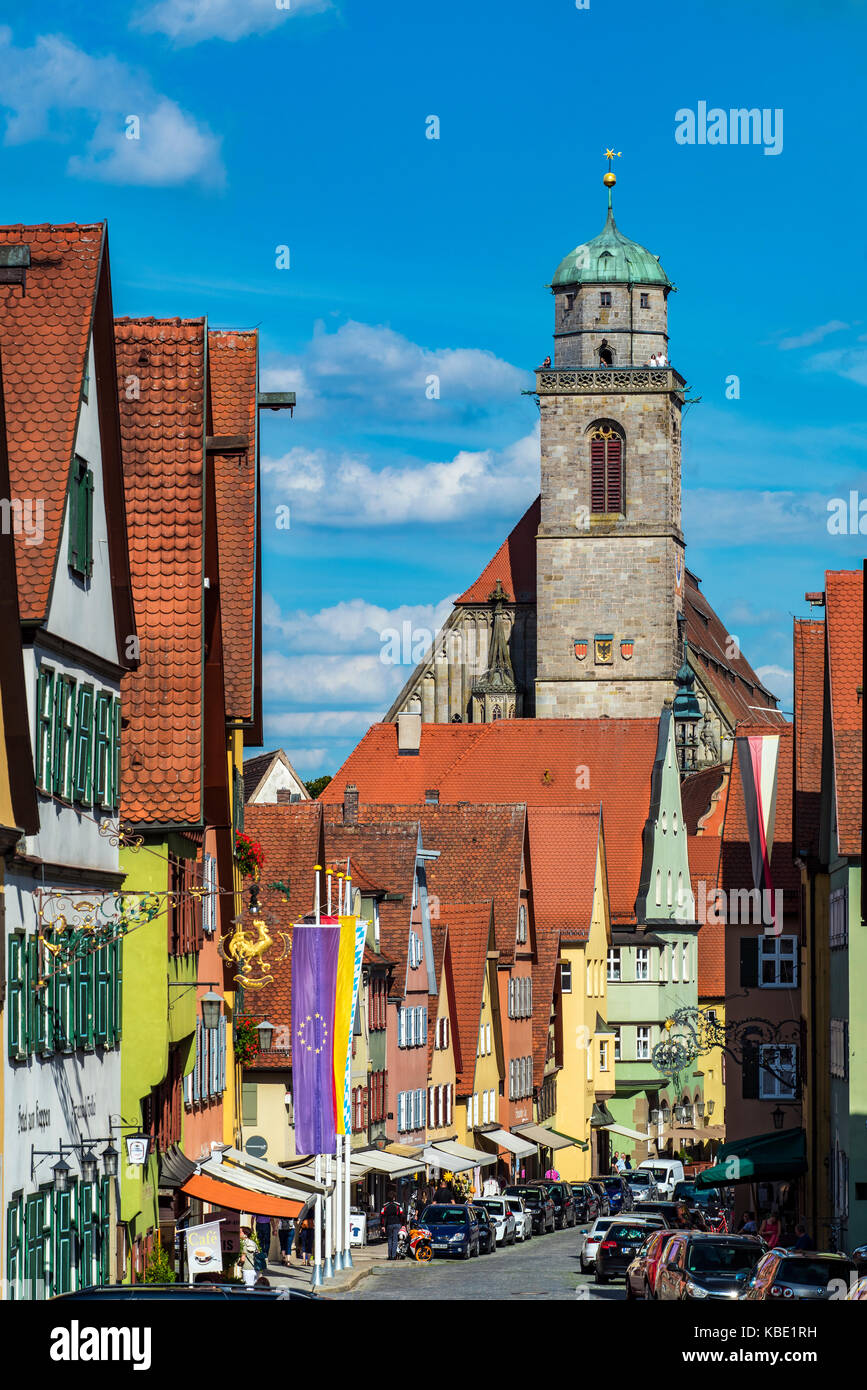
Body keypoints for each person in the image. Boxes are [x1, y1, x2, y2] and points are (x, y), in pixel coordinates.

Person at [382, 1188, 405, 1261]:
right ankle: (394, 1255)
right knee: (395, 1240)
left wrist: (382, 1226)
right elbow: (402, 1215)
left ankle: (389, 1256)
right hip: (397, 1223)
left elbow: (382, 1216)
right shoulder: (398, 1205)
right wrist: (403, 1224)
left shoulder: (385, 1206)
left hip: (389, 1224)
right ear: (394, 1197)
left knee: (389, 1240)